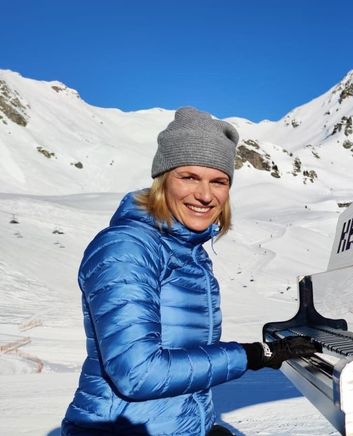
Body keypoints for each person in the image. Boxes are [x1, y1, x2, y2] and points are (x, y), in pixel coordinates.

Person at [61, 107, 319, 435]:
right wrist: (254, 354)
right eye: (190, 177)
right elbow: (138, 373)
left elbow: (179, 354)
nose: (205, 195)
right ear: (162, 179)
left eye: (219, 181)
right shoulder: (128, 247)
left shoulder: (188, 251)